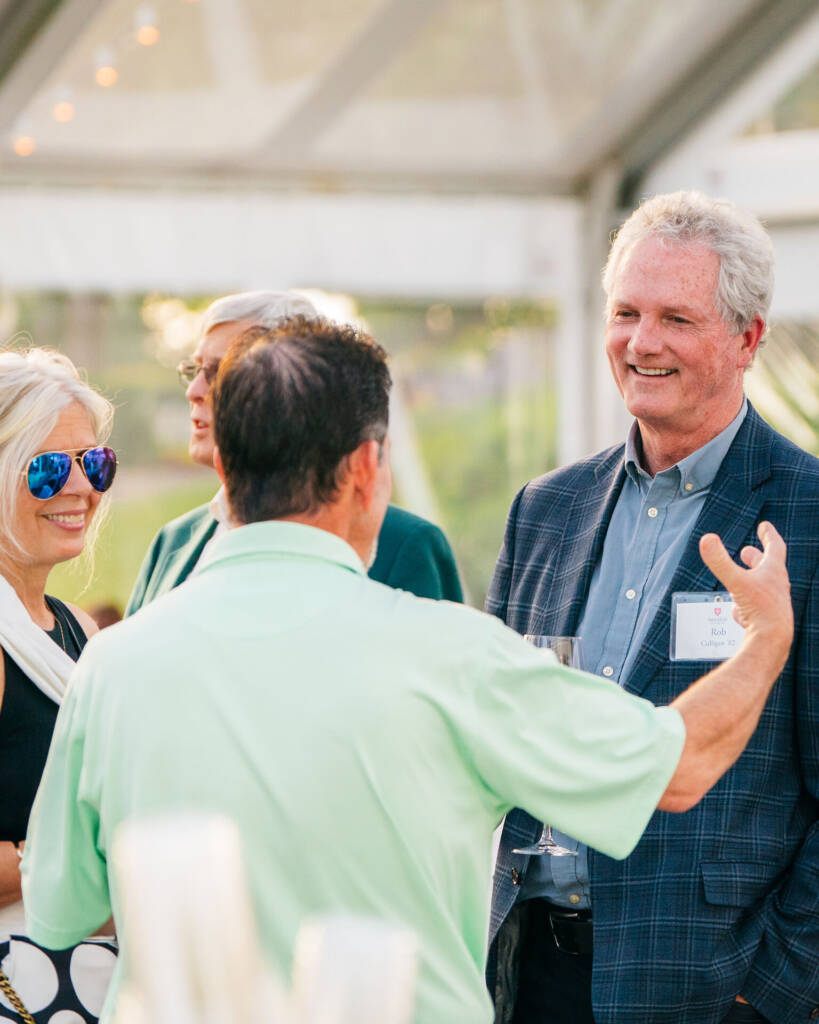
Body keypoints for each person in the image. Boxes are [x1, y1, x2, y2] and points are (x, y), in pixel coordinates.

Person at [23, 316, 793, 1024]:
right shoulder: (451, 657)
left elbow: (60, 907)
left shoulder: (112, 663)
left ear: (222, 463)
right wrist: (763, 638)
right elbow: (681, 765)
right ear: (366, 466)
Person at [486, 191, 819, 1024]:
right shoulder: (546, 507)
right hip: (524, 969)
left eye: (676, 317)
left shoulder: (808, 513)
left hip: (708, 987)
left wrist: (773, 986)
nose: (642, 343)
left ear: (747, 339)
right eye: (626, 312)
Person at [125, 290, 462, 614]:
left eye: (221, 373)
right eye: (193, 371)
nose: (195, 391)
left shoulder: (406, 545)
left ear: (294, 382)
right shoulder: (172, 542)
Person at [0, 347, 118, 1024]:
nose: (80, 489)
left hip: (84, 984)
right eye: (46, 470)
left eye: (93, 463)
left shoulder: (77, 629)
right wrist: (73, 857)